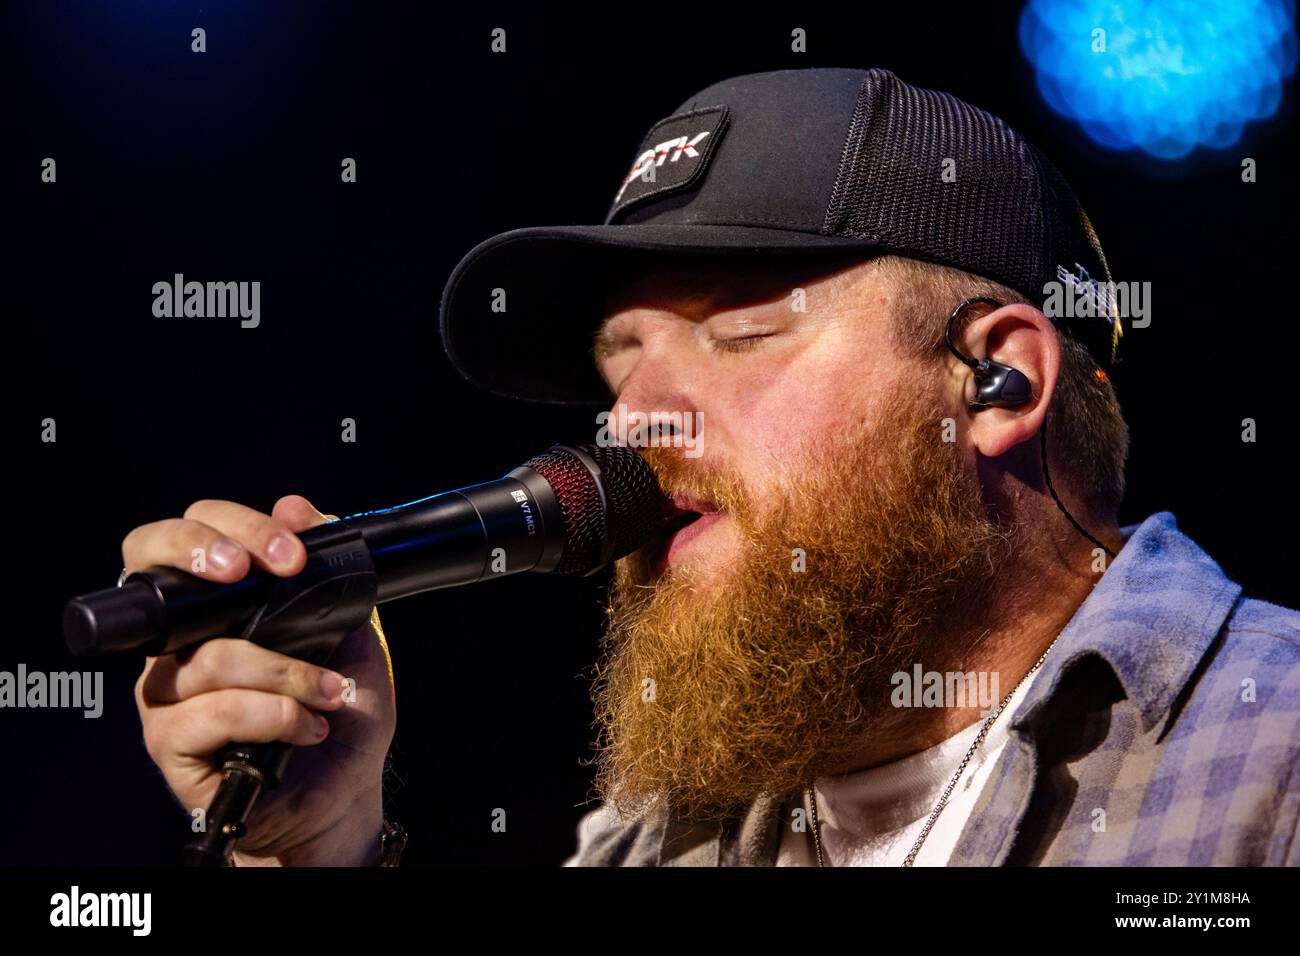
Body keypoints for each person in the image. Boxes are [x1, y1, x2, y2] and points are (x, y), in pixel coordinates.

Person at [126, 68, 1299, 867]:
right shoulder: (656, 834)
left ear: (995, 384)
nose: (629, 426)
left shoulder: (1274, 753)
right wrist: (317, 845)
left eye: (741, 333)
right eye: (620, 368)